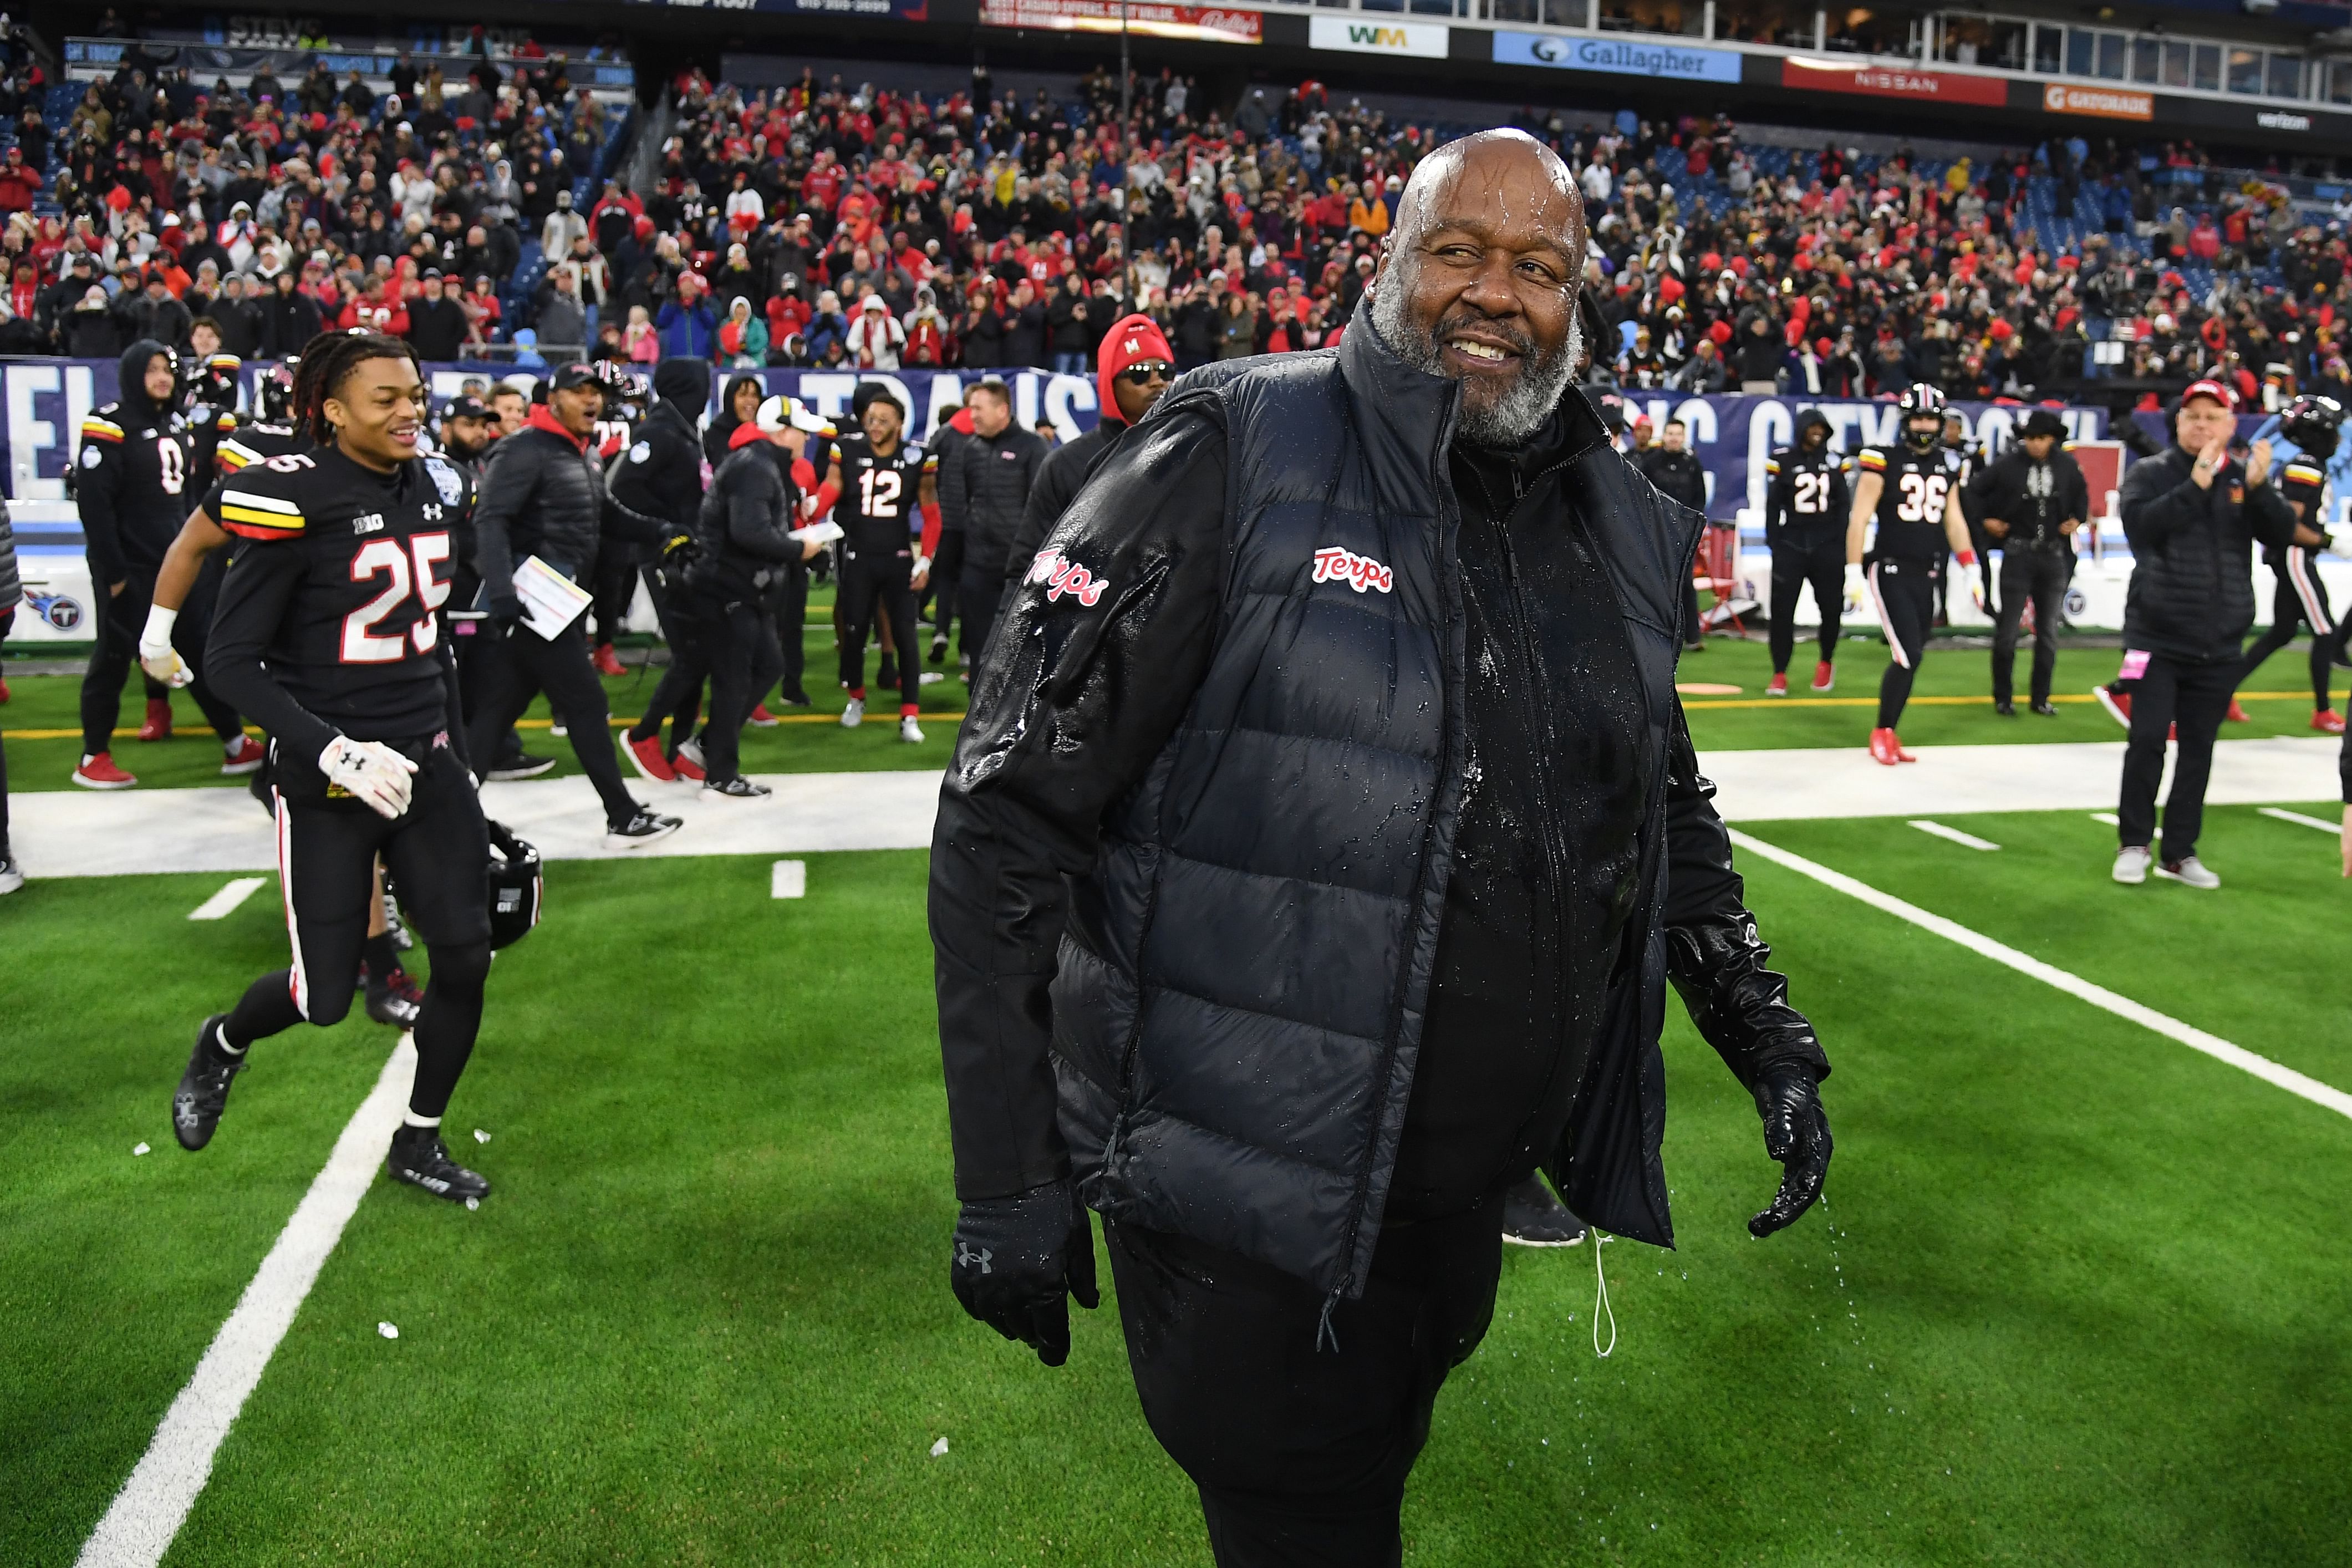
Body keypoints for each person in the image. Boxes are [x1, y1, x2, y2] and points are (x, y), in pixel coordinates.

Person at [931, 130, 1832, 1566]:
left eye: (1538, 266)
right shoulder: (1228, 444)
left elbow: (1655, 798)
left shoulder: (1614, 514)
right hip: (1246, 1210)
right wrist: (1007, 1176)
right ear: (1387, 264)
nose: (1496, 292)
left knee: (1362, 1475)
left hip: (1447, 1202)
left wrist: (1760, 1029)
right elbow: (1003, 810)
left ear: (1581, 296)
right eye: (1458, 250)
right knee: (1312, 1517)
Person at [172, 331, 495, 1201]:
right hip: (327, 780)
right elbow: (229, 661)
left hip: (423, 762)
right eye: (385, 398)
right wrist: (334, 749)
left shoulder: (434, 487)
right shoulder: (291, 500)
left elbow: (434, 653)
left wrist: (463, 769)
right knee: (322, 995)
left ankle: (418, 1140)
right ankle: (223, 1042)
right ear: (331, 409)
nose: (408, 411)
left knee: (466, 956)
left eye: (415, 395)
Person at [2112, 380, 2317, 888]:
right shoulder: (2149, 473)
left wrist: (2261, 487)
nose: (2202, 425)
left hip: (2220, 641)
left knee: (2199, 750)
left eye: (2213, 416)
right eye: (2193, 416)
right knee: (2147, 741)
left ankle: (2180, 852)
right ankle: (2134, 842)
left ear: (2230, 426)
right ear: (2177, 424)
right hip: (2155, 637)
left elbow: (2280, 535)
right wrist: (2196, 483)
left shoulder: (2241, 479)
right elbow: (2143, 530)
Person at [466, 364, 681, 848]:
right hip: (534, 600)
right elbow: (491, 521)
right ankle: (622, 816)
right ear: (555, 398)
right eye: (579, 391)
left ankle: (447, 813)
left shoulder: (581, 452)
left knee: (498, 710)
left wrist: (660, 530)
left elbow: (603, 515)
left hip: (556, 602)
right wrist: (502, 591)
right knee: (585, 703)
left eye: (596, 393)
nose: (591, 400)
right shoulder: (524, 449)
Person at [73, 340, 265, 790]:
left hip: (173, 564)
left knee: (199, 651)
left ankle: (235, 743)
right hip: (130, 567)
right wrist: (114, 574)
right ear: (133, 374)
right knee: (115, 658)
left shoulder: (175, 421)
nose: (162, 378)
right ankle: (92, 754)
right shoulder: (109, 424)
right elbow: (96, 506)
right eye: (152, 370)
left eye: (167, 370)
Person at [686, 395, 832, 796]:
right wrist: (798, 548)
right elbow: (748, 532)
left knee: (769, 665)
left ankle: (711, 744)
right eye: (802, 432)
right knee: (734, 679)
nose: (806, 440)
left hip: (743, 585)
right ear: (784, 431)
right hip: (729, 586)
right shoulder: (756, 466)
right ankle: (721, 773)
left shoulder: (760, 462)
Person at [1847, 384, 1982, 765]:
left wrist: (1971, 566)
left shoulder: (1949, 463)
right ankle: (1882, 731)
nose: (1924, 425)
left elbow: (1953, 519)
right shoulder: (1882, 459)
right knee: (1908, 653)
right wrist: (1853, 570)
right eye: (1918, 417)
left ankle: (1890, 731)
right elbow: (1859, 518)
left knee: (1915, 655)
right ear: (1907, 420)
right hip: (1889, 568)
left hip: (1928, 570)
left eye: (1930, 418)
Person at [1006, 313, 1172, 584]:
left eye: (1165, 371)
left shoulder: (1193, 453)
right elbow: (1027, 569)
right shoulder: (1067, 464)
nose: (1157, 382)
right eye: (1140, 373)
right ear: (1110, 383)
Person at [615, 358, 721, 782]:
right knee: (691, 652)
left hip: (687, 556)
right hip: (664, 556)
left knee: (697, 651)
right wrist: (667, 530)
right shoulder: (658, 432)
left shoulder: (682, 429)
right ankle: (643, 735)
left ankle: (679, 746)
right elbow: (623, 487)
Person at [820, 388, 935, 740]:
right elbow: (832, 486)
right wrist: (814, 504)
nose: (875, 426)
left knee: (906, 636)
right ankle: (856, 697)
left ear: (900, 424)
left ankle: (910, 715)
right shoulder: (848, 449)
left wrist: (926, 558)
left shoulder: (919, 456)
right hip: (858, 555)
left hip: (898, 557)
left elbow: (931, 513)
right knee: (854, 634)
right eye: (871, 419)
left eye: (884, 420)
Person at [2229, 393, 2346, 734]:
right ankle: (2323, 711)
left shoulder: (2306, 463)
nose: (2338, 438)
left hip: (2291, 555)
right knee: (2326, 632)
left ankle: (2222, 692)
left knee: (2282, 633)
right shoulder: (2306, 465)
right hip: (2295, 555)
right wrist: (2330, 543)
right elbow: (2291, 525)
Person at [1974, 409, 2089, 716]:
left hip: (2052, 556)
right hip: (2017, 553)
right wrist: (1986, 521)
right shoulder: (2007, 465)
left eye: (2040, 438)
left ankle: (2041, 698)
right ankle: (2003, 697)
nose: (2035, 444)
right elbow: (1973, 492)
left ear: (2052, 439)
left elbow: (2082, 497)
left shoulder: (2067, 466)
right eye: (2030, 438)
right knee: (2008, 631)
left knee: (2048, 633)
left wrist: (2077, 519)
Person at [939, 377, 1045, 664]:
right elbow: (968, 500)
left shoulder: (1033, 447)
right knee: (979, 647)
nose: (971, 415)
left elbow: (1041, 506)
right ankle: (977, 701)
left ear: (1002, 410)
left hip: (1018, 566)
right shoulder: (970, 449)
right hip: (976, 565)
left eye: (978, 409)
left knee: (1020, 647)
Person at [1761, 409, 1852, 696]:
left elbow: (1843, 506)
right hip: (1792, 543)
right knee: (1782, 612)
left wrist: (1839, 543)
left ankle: (1826, 661)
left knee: (1831, 609)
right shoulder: (1783, 459)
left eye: (1821, 427)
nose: (1817, 431)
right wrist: (1775, 540)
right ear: (1801, 429)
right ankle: (1779, 672)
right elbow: (1773, 504)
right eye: (1812, 426)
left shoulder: (1837, 460)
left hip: (1827, 545)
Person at [1635, 416, 1709, 650]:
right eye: (1670, 434)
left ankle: (1693, 636)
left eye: (1678, 434)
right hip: (1655, 532)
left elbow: (1700, 497)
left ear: (1683, 437)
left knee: (1686, 583)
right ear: (1664, 436)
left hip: (1684, 532)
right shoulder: (1651, 462)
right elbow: (1641, 494)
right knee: (1654, 582)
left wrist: (1693, 526)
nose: (1674, 438)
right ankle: (1657, 634)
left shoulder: (1692, 463)